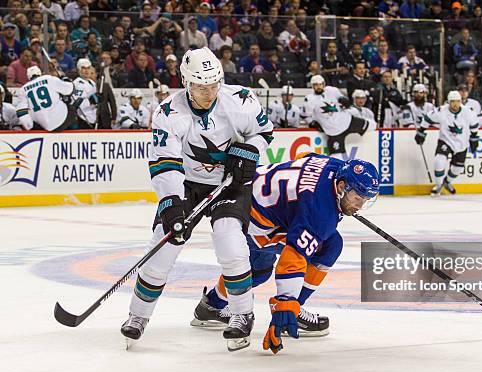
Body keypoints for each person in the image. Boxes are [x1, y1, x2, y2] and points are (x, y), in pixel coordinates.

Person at [120, 47, 274, 352]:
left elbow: (265, 134)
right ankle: (138, 316)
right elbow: (165, 162)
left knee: (231, 243)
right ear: (186, 82)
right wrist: (172, 204)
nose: (209, 92)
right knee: (161, 247)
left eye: (214, 84)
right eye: (201, 87)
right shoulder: (168, 113)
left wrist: (250, 151)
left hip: (230, 184)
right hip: (187, 184)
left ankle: (242, 313)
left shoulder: (240, 99)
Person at [191, 155, 380, 352]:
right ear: (341, 187)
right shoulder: (321, 212)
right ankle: (293, 309)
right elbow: (293, 258)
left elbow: (304, 162)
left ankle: (211, 306)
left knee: (259, 270)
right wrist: (285, 305)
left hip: (248, 196)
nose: (359, 205)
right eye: (357, 198)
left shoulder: (335, 166)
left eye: (365, 200)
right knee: (330, 245)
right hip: (250, 221)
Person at [414, 90, 480, 196]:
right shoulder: (441, 111)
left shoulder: (468, 112)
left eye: (458, 101)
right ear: (448, 102)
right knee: (439, 161)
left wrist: (474, 138)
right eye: (452, 101)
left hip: (461, 143)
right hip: (445, 140)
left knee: (458, 169)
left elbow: (474, 125)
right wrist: (421, 131)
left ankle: (447, 182)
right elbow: (427, 118)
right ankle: (439, 185)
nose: (455, 104)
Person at [302, 75, 376, 155]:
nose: (319, 87)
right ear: (312, 86)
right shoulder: (309, 100)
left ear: (324, 84)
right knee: (336, 157)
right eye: (316, 85)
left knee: (372, 125)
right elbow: (304, 115)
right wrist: (312, 123)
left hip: (348, 121)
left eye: (320, 84)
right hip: (333, 132)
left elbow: (343, 99)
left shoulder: (332, 90)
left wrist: (345, 101)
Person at [15, 66, 76, 131]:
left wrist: (31, 128)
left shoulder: (22, 90)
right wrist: (65, 79)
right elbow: (70, 89)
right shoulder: (48, 78)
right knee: (72, 106)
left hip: (43, 127)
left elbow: (21, 112)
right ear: (40, 73)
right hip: (62, 121)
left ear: (28, 77)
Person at [73, 58, 98, 129]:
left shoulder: (92, 82)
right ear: (79, 70)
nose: (87, 71)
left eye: (88, 68)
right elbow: (77, 103)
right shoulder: (76, 84)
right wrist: (91, 101)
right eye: (84, 68)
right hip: (83, 117)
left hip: (93, 117)